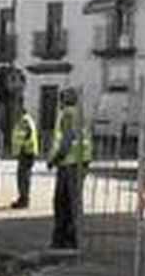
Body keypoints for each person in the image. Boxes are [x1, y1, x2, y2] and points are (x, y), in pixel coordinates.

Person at [47, 87, 91, 249]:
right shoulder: (79, 114)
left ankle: (64, 239)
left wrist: (53, 160)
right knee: (72, 202)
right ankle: (70, 238)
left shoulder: (67, 115)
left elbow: (66, 141)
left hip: (69, 164)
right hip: (79, 162)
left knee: (63, 202)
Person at [8, 99, 40, 209]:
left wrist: (21, 148)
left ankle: (24, 200)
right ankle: (23, 198)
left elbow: (26, 134)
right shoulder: (27, 120)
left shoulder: (24, 121)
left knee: (23, 178)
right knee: (23, 177)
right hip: (27, 153)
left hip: (26, 153)